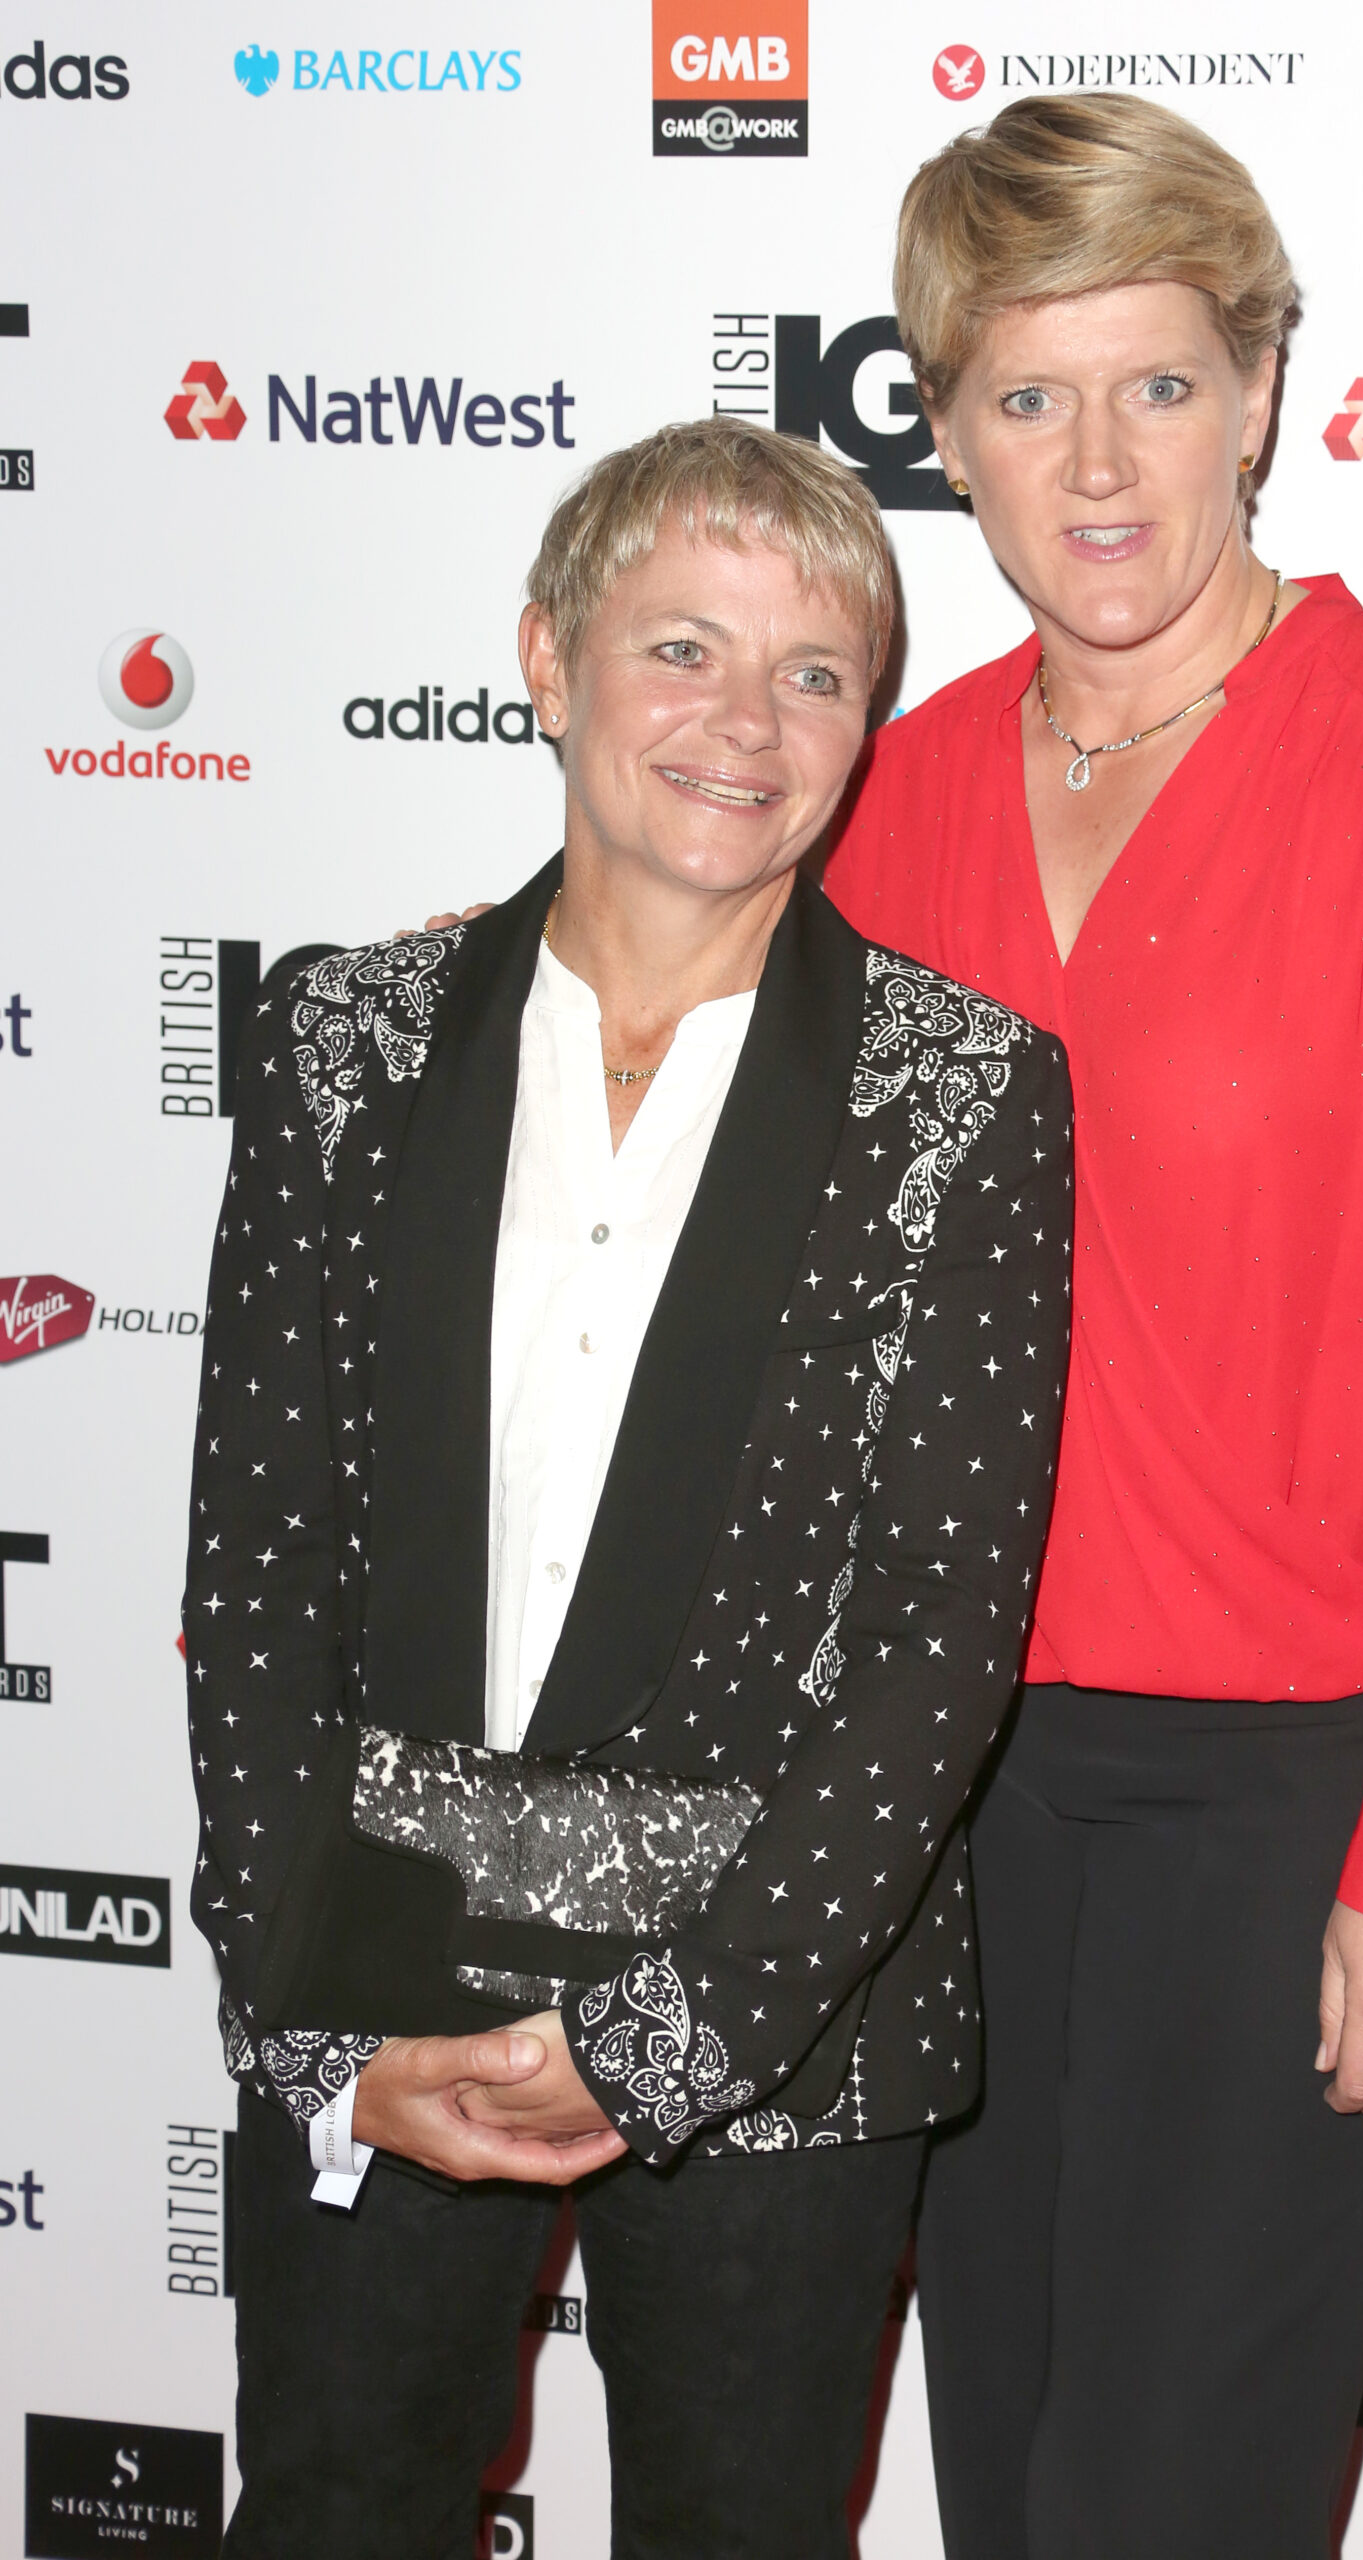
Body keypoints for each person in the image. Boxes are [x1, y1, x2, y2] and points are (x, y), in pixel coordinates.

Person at [820, 95, 1363, 2560]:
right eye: (1025, 394)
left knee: (1165, 2505)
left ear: (1262, 389)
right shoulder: (895, 786)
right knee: (1007, 2481)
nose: (1094, 464)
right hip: (947, 1796)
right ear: (938, 423)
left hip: (1290, 1806)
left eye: (1156, 385)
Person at [182, 417, 1073, 2560]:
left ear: (865, 725)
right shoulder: (344, 1035)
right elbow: (255, 1559)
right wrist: (309, 2012)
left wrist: (678, 2033)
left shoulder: (963, 1089)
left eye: (812, 673)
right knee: (327, 2513)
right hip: (380, 1938)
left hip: (789, 1983)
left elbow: (942, 1629)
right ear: (545, 658)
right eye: (680, 644)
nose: (741, 724)